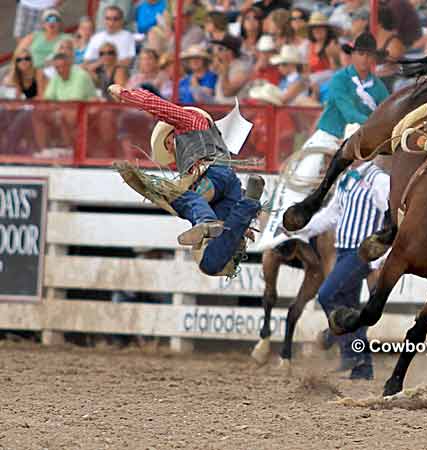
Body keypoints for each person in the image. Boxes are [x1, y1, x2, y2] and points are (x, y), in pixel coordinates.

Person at [108, 84, 265, 276]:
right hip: (229, 184)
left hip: (211, 175)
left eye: (168, 145)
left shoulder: (190, 121)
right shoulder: (215, 139)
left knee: (177, 195)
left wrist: (125, 94)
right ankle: (247, 206)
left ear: (170, 134)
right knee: (209, 264)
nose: (171, 151)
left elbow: (157, 105)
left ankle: (206, 220)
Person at [257, 31, 389, 250]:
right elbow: (347, 111)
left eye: (369, 55)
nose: (365, 59)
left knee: (381, 179)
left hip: (364, 144)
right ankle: (285, 226)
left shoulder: (379, 88)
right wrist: (372, 126)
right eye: (361, 54)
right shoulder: (340, 79)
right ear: (353, 55)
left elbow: (383, 113)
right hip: (331, 135)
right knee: (303, 174)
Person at [289, 158, 391, 379]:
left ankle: (349, 351)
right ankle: (363, 368)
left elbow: (390, 216)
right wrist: (302, 230)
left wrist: (379, 256)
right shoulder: (346, 178)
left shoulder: (379, 180)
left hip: (362, 252)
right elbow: (331, 214)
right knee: (350, 307)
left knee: (327, 295)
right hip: (344, 250)